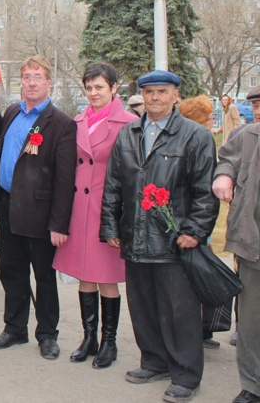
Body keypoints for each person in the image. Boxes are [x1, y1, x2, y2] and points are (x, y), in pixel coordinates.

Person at [100, 70, 218, 403]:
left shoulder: (194, 136)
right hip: (135, 237)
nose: (154, 97)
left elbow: (204, 191)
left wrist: (194, 231)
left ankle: (186, 375)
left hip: (174, 241)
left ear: (176, 95)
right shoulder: (129, 134)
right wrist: (110, 226)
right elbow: (114, 186)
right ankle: (153, 361)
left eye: (162, 92)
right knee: (143, 306)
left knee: (179, 311)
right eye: (149, 92)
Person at [0, 55, 77, 360]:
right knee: (12, 272)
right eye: (26, 77)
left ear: (49, 82)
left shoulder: (61, 123)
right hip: (7, 206)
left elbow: (65, 179)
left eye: (37, 77)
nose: (31, 82)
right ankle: (15, 328)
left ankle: (47, 334)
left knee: (44, 278)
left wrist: (59, 224)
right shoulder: (12, 112)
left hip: (39, 213)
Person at [53, 62, 136, 368]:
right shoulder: (76, 122)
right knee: (85, 276)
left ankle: (109, 342)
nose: (93, 93)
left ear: (114, 88)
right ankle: (89, 338)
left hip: (107, 211)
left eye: (99, 87)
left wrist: (123, 218)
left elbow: (132, 174)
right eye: (88, 87)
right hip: (78, 211)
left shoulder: (128, 123)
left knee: (106, 278)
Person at [212, 84, 260, 403]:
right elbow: (226, 159)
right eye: (256, 104)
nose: (258, 110)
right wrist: (224, 176)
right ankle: (253, 386)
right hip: (252, 242)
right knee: (252, 320)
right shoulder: (246, 136)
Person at [177, 94, 224, 350]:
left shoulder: (201, 139)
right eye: (208, 116)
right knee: (196, 277)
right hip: (193, 222)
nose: (211, 120)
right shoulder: (198, 139)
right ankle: (199, 330)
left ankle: (203, 329)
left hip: (197, 222)